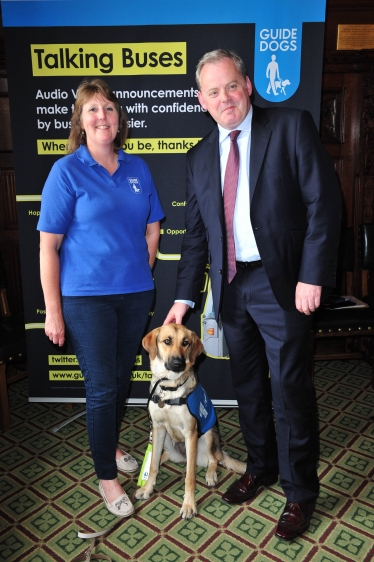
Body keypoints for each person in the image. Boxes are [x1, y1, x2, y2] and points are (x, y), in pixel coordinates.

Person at [164, 49, 341, 540]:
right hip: (231, 287)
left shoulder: (291, 126)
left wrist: (313, 275)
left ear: (248, 84)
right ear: (202, 100)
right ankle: (260, 466)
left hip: (283, 283)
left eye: (232, 86)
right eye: (214, 92)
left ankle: (299, 492)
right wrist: (184, 298)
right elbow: (195, 237)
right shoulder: (199, 157)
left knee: (289, 391)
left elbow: (323, 204)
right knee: (247, 387)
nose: (226, 98)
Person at [38, 78, 165, 518]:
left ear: (119, 118)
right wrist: (53, 311)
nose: (102, 116)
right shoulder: (66, 171)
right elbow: (48, 246)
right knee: (101, 387)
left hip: (134, 295)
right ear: (80, 121)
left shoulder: (137, 168)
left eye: (109, 108)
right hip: (86, 298)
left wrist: (141, 266)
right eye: (92, 109)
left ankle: (109, 445)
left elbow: (153, 226)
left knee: (121, 379)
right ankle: (106, 477)